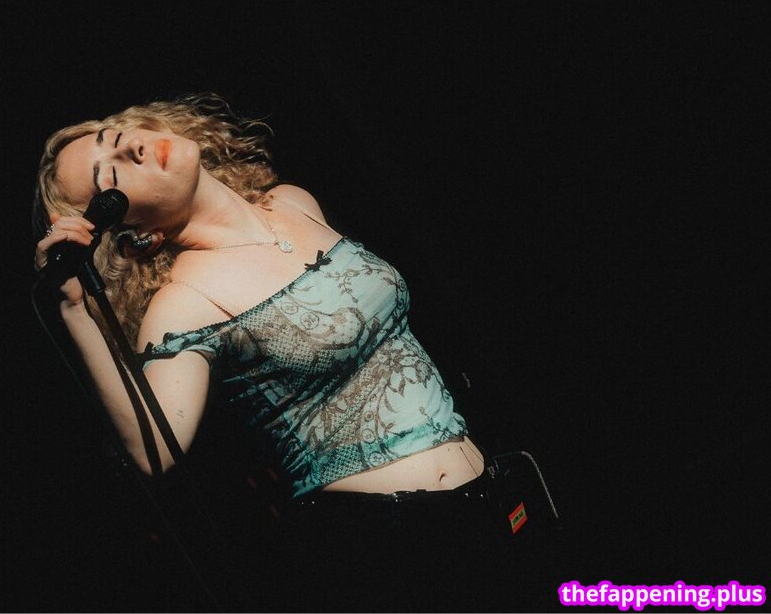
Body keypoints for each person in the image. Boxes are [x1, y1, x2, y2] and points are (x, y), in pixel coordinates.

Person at [32, 92, 562, 612]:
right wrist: (74, 309)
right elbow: (155, 453)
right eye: (110, 177)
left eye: (117, 136)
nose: (132, 148)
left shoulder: (293, 203)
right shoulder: (184, 302)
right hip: (389, 546)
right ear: (137, 234)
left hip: (492, 499)